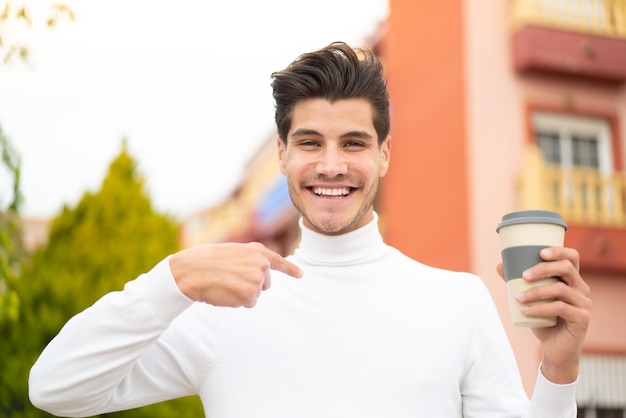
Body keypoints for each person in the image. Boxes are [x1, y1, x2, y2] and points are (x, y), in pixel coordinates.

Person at [29, 41, 591, 417]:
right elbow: (54, 387)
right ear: (281, 153)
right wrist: (171, 278)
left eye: (353, 143)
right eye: (309, 142)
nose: (330, 165)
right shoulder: (221, 311)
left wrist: (559, 367)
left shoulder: (459, 301)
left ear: (385, 155)